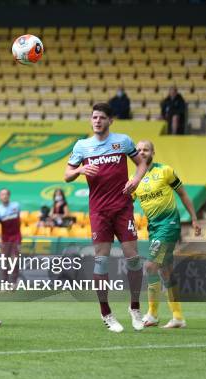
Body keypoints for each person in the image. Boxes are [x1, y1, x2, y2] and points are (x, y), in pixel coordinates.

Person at [65, 102, 148, 333]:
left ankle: (135, 309)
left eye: (101, 117)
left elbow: (141, 163)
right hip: (99, 211)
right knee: (101, 261)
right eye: (94, 117)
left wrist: (136, 180)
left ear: (110, 120)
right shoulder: (82, 146)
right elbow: (67, 175)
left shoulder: (123, 141)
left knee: (133, 259)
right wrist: (80, 170)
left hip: (123, 208)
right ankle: (106, 313)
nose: (97, 121)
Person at [133, 140, 202, 329]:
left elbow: (183, 194)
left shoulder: (165, 171)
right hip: (153, 228)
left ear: (153, 152)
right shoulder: (134, 179)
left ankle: (152, 314)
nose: (142, 152)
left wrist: (194, 218)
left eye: (145, 149)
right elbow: (125, 205)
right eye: (138, 150)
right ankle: (178, 317)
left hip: (169, 224)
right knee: (165, 270)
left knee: (150, 266)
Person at [0, 189, 22, 283]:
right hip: (5, 238)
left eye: (6, 194)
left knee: (15, 259)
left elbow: (19, 220)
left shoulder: (16, 206)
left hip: (16, 236)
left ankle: (13, 282)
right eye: (2, 194)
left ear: (9, 195)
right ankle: (4, 282)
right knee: (5, 261)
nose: (4, 196)